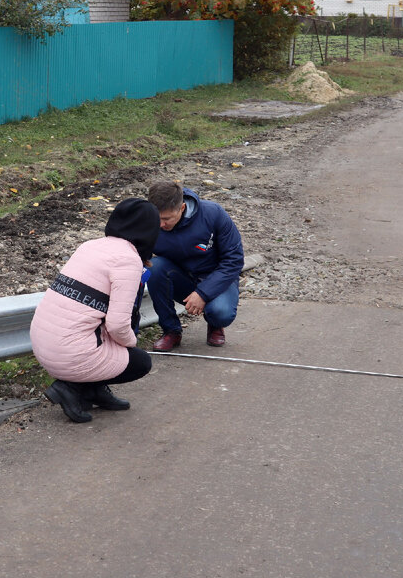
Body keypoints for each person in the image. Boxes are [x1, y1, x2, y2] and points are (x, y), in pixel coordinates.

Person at [30, 198, 160, 423]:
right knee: (140, 361)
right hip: (69, 355)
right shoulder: (128, 261)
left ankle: (94, 390)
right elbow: (119, 325)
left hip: (42, 345)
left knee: (106, 338)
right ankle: (70, 388)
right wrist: (130, 344)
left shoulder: (90, 245)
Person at [145, 180, 244, 351]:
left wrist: (203, 293)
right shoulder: (147, 222)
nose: (160, 225)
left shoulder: (213, 214)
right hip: (180, 277)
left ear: (182, 208)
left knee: (221, 313)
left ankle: (214, 323)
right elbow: (135, 257)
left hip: (214, 277)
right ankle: (171, 331)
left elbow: (234, 259)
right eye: (156, 218)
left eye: (166, 219)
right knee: (153, 267)